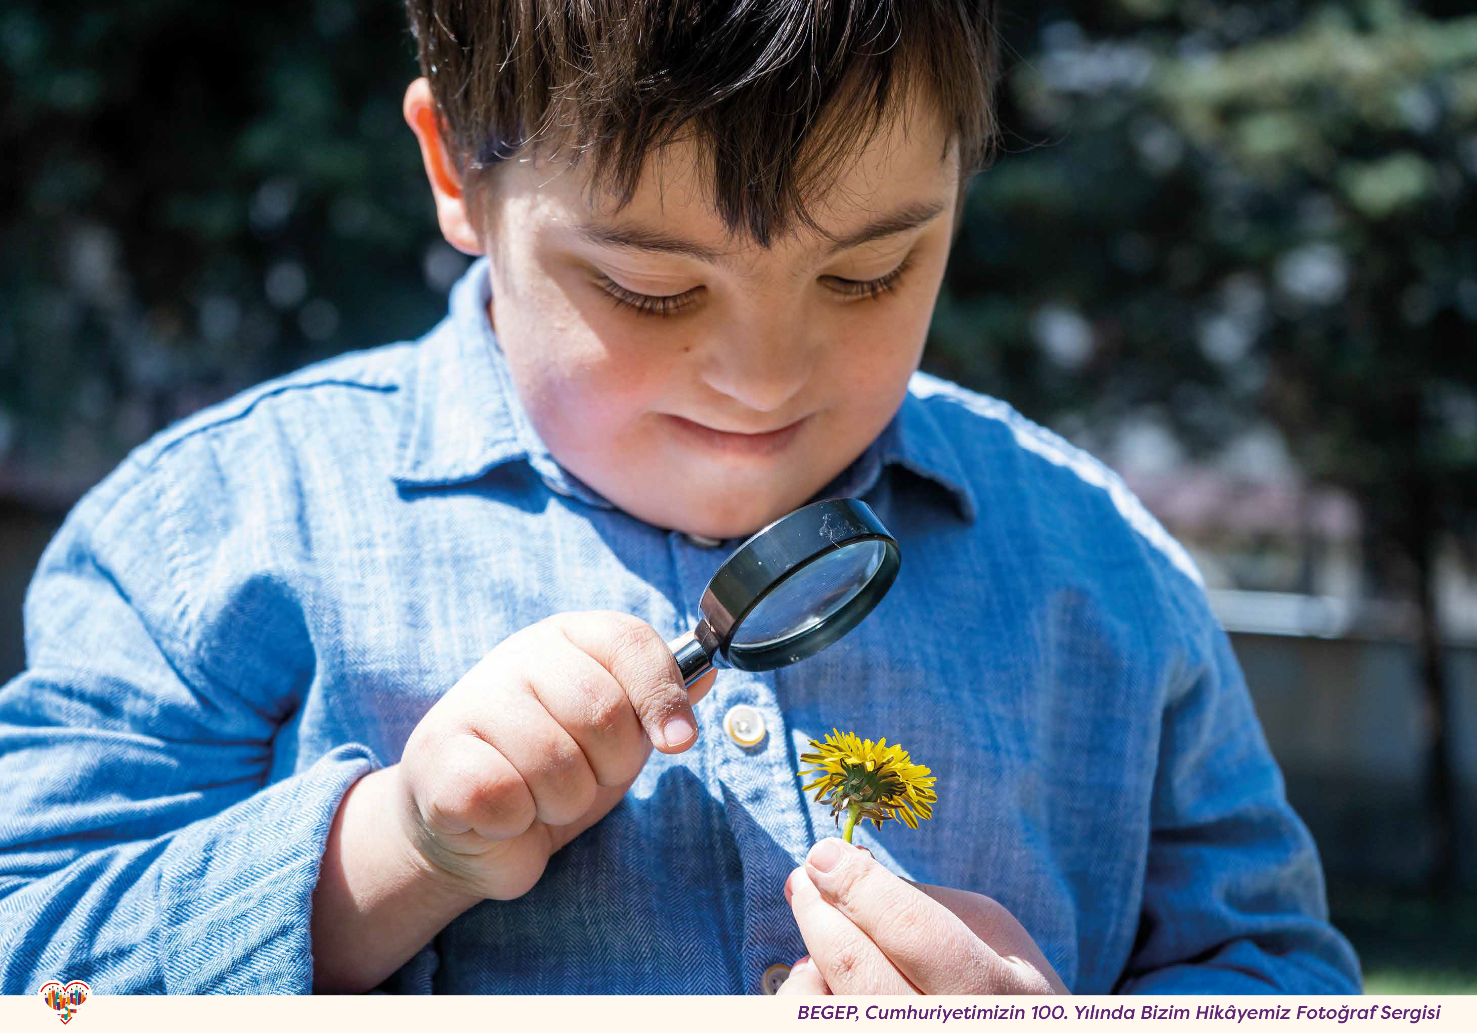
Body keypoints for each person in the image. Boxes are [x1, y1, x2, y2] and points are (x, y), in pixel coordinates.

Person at [0, 0, 1361, 995]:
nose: (763, 380)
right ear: (453, 171)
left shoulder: (1099, 569)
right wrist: (389, 852)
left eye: (868, 272)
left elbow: (1300, 989)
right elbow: (30, 957)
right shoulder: (213, 535)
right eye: (650, 288)